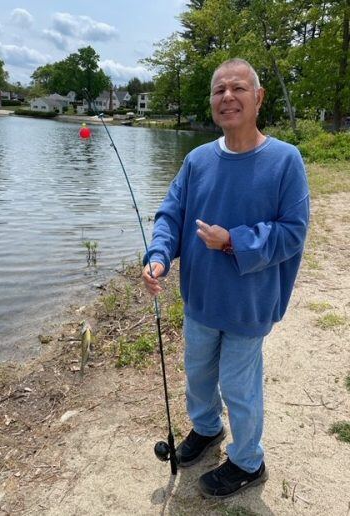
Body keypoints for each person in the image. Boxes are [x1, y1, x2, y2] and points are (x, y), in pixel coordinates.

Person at [142, 58, 309, 499]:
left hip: (248, 305)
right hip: (200, 299)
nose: (228, 97)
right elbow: (171, 215)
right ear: (212, 102)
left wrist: (233, 241)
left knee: (239, 383)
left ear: (258, 98)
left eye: (238, 88)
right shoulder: (197, 160)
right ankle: (207, 428)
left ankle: (248, 461)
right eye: (219, 90)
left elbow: (293, 232)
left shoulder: (285, 160)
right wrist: (159, 256)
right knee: (197, 373)